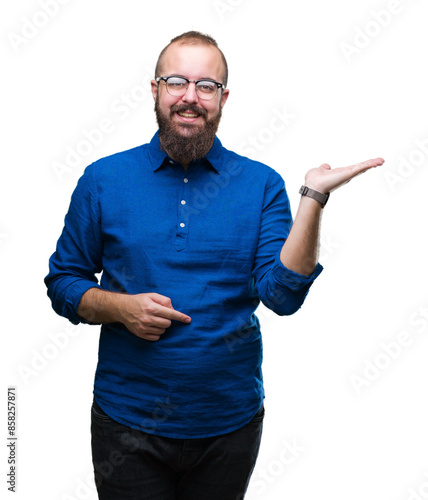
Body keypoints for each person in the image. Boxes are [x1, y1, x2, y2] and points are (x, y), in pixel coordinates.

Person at [45, 31, 384, 500]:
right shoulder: (103, 179)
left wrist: (313, 198)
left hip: (229, 426)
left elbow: (282, 296)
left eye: (206, 86)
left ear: (224, 98)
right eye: (176, 81)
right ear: (155, 90)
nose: (190, 96)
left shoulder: (261, 184)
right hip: (126, 422)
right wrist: (120, 308)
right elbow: (62, 283)